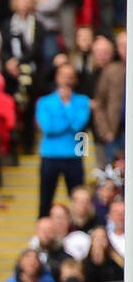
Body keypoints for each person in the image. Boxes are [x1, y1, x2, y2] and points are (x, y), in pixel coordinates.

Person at [35, 63, 91, 217]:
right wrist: (68, 118)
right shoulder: (44, 102)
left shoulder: (83, 101)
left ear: (75, 80)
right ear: (57, 78)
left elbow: (78, 125)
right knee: (45, 199)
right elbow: (48, 128)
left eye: (70, 77)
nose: (66, 80)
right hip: (50, 156)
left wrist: (66, 107)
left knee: (78, 199)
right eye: (63, 76)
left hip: (74, 155)